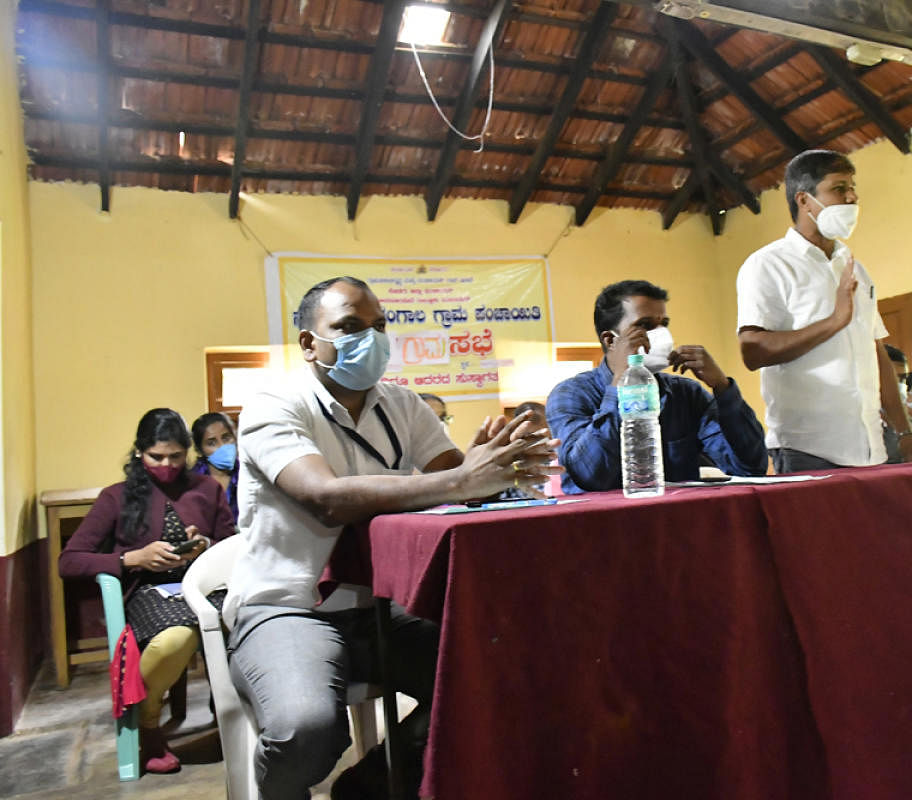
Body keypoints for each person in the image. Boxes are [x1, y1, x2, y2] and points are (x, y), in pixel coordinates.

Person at [222, 276, 558, 800]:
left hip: (381, 606)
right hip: (288, 607)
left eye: (380, 327)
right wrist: (461, 479)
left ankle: (371, 785)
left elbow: (455, 483)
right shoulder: (273, 405)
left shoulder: (402, 404)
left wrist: (491, 466)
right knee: (306, 729)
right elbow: (326, 496)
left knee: (503, 671)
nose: (371, 339)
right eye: (350, 327)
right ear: (309, 342)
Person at [59, 408, 236, 774]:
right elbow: (70, 560)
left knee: (245, 620)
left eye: (176, 457)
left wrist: (204, 544)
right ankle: (148, 722)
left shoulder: (205, 490)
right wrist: (131, 558)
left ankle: (235, 718)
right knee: (176, 638)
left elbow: (231, 543)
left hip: (203, 588)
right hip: (148, 594)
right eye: (157, 457)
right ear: (140, 452)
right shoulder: (117, 497)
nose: (167, 465)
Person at [736, 149, 912, 472]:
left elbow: (875, 352)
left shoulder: (856, 269)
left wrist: (905, 433)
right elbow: (752, 351)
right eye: (839, 189)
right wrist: (835, 321)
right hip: (806, 448)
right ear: (804, 200)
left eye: (853, 188)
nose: (853, 197)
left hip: (871, 446)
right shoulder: (768, 265)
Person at [547, 279, 767, 492]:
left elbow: (749, 468)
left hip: (671, 519)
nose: (661, 334)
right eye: (644, 325)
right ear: (610, 340)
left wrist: (722, 387)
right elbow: (591, 475)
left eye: (664, 324)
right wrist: (622, 383)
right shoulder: (571, 394)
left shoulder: (685, 393)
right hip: (601, 523)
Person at [191, 411, 240, 523]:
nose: (222, 446)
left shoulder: (248, 474)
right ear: (200, 449)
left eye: (226, 438)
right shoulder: (191, 483)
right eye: (212, 443)